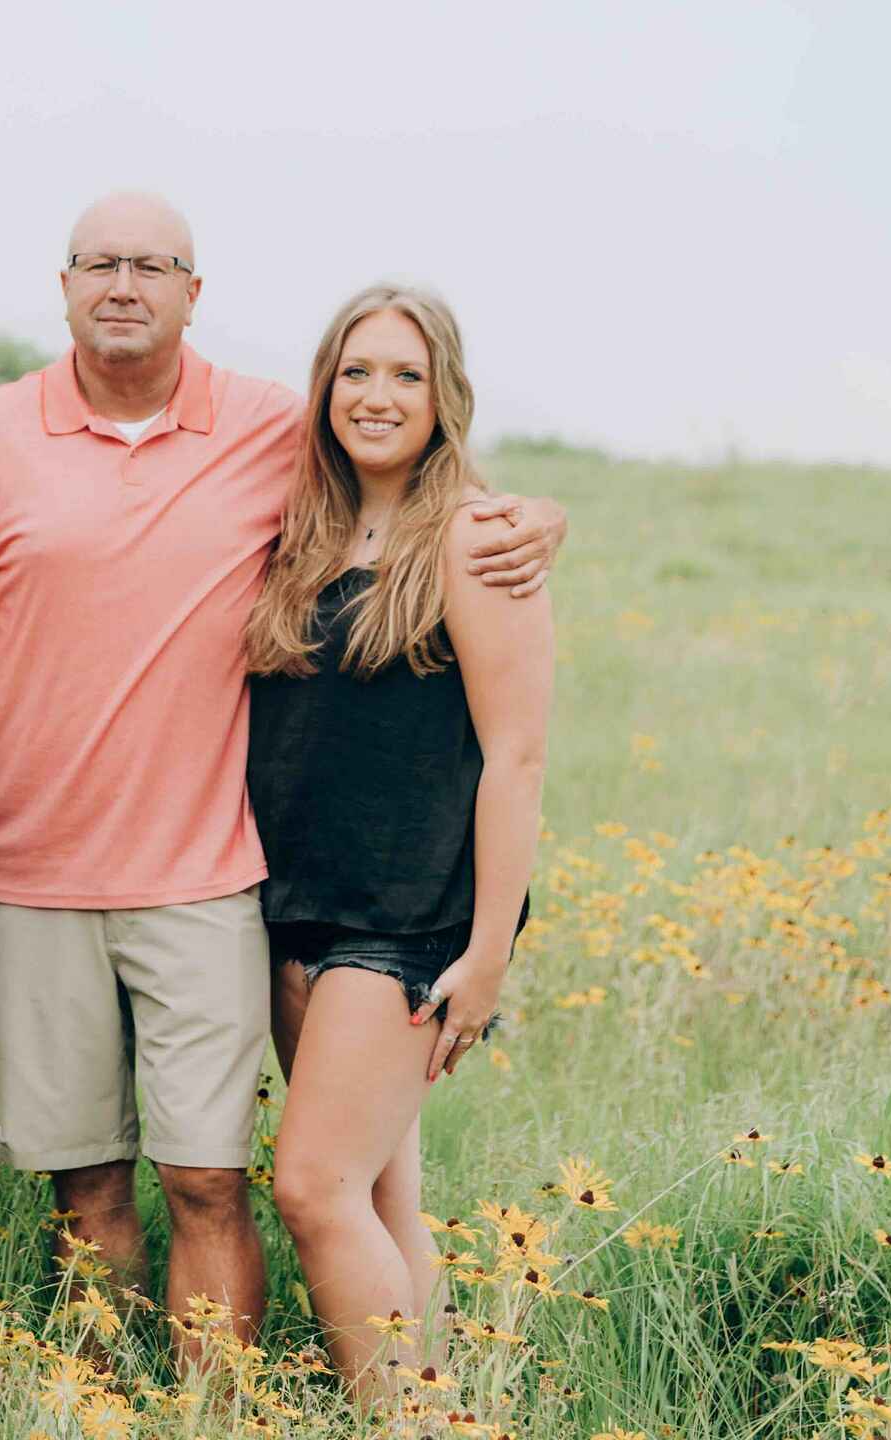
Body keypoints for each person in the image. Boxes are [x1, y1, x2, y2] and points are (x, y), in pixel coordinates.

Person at [0, 192, 565, 1365]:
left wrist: (536, 518)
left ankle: (337, 1410)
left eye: (151, 264)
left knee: (281, 1187)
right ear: (61, 282)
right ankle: (409, 1395)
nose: (373, 397)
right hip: (228, 894)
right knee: (338, 1195)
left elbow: (511, 736)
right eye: (96, 262)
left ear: (190, 292)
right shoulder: (27, 442)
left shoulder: (361, 480)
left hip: (312, 903)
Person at [249, 285, 550, 1399]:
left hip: (408, 913)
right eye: (356, 372)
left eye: (405, 376)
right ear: (324, 386)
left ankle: (401, 1422)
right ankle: (442, 1401)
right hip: (295, 899)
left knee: (313, 1187)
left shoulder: (473, 538)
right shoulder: (299, 531)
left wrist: (485, 953)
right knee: (379, 1197)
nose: (376, 397)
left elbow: (514, 756)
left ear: (444, 396)